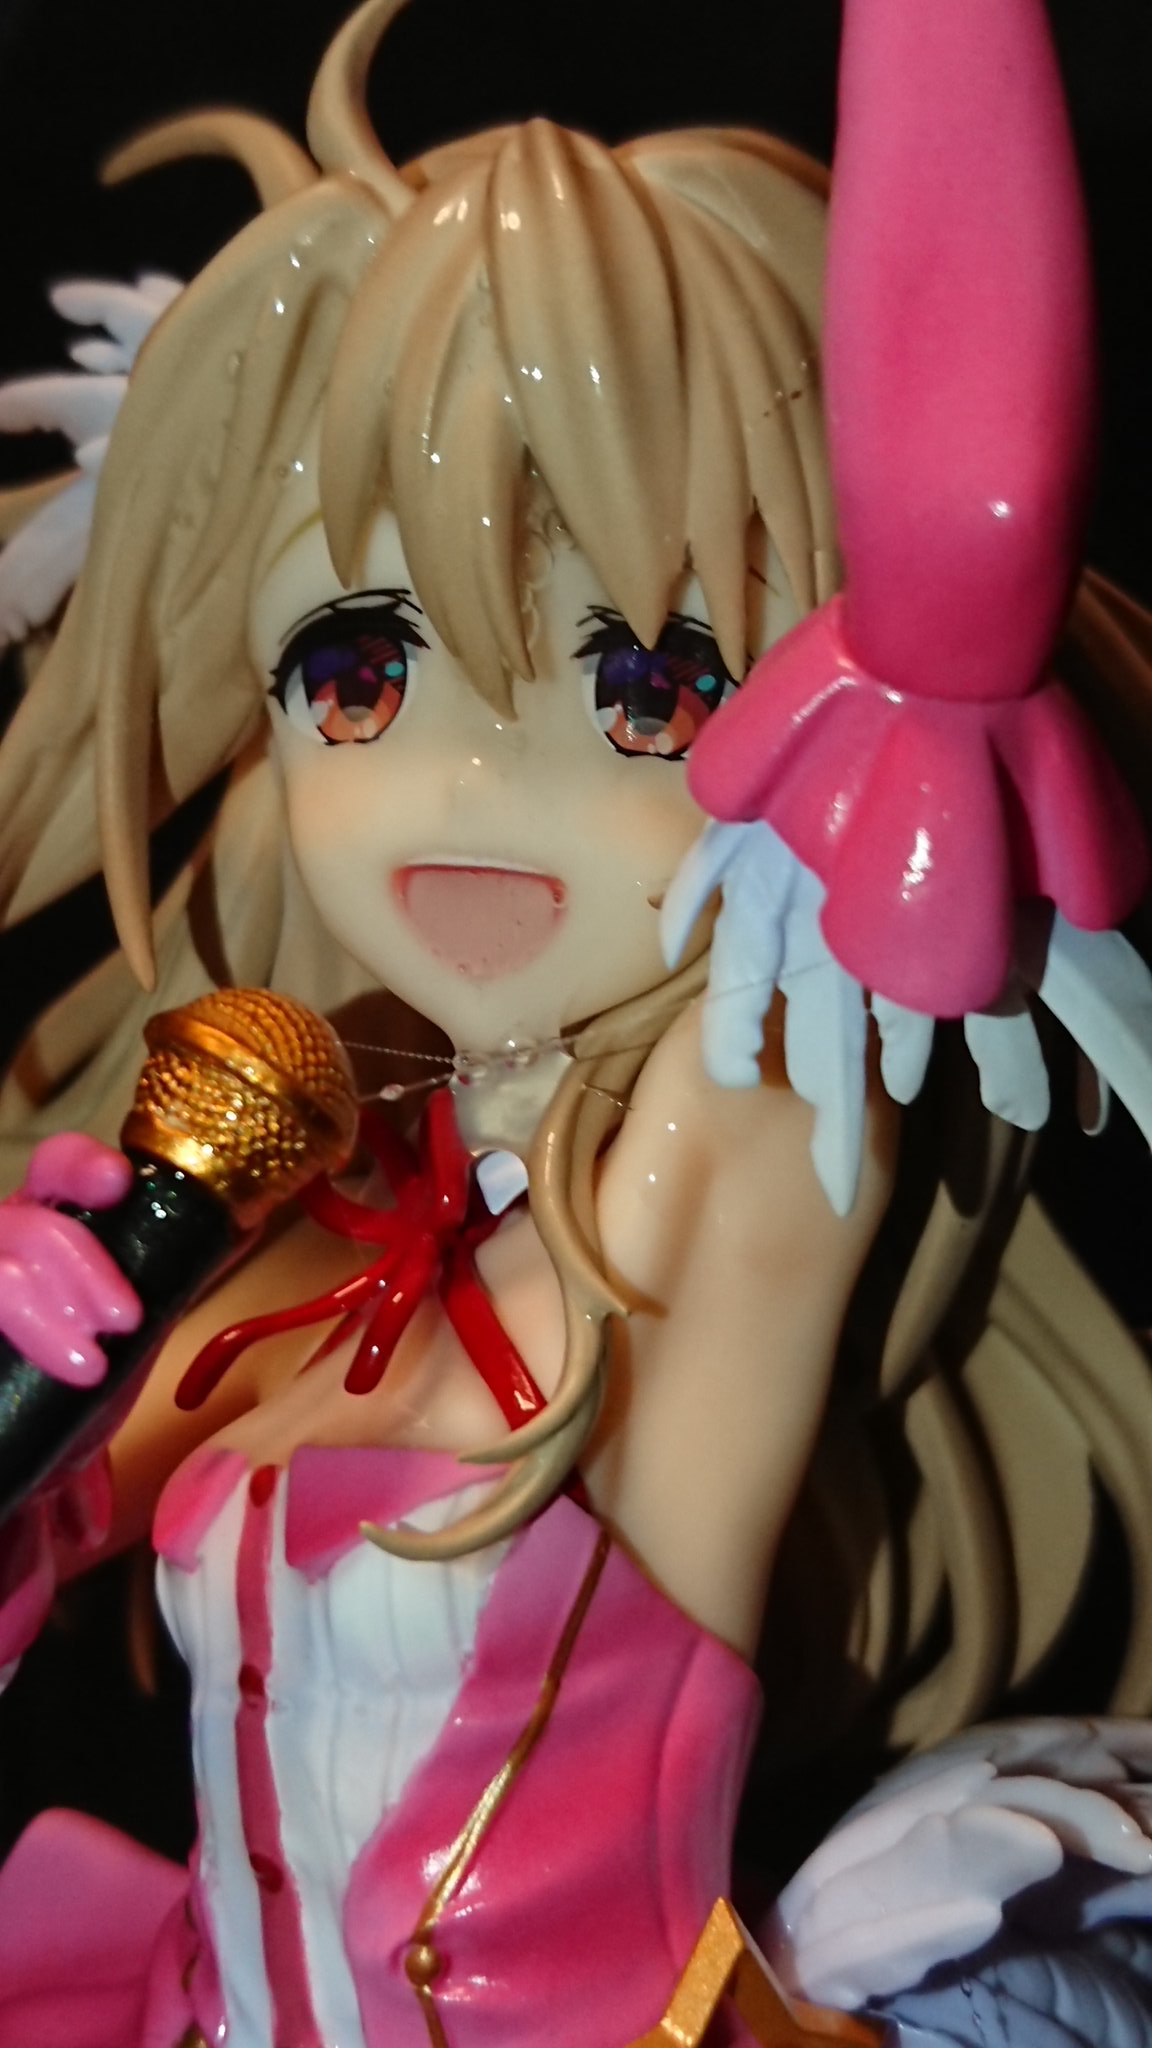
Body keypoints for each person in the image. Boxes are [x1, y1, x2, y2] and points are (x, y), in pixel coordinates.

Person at [0, 0, 1149, 2042]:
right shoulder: (312, 1247)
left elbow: (950, 639)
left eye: (646, 689)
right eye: (359, 671)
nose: (472, 782)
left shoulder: (741, 1142)